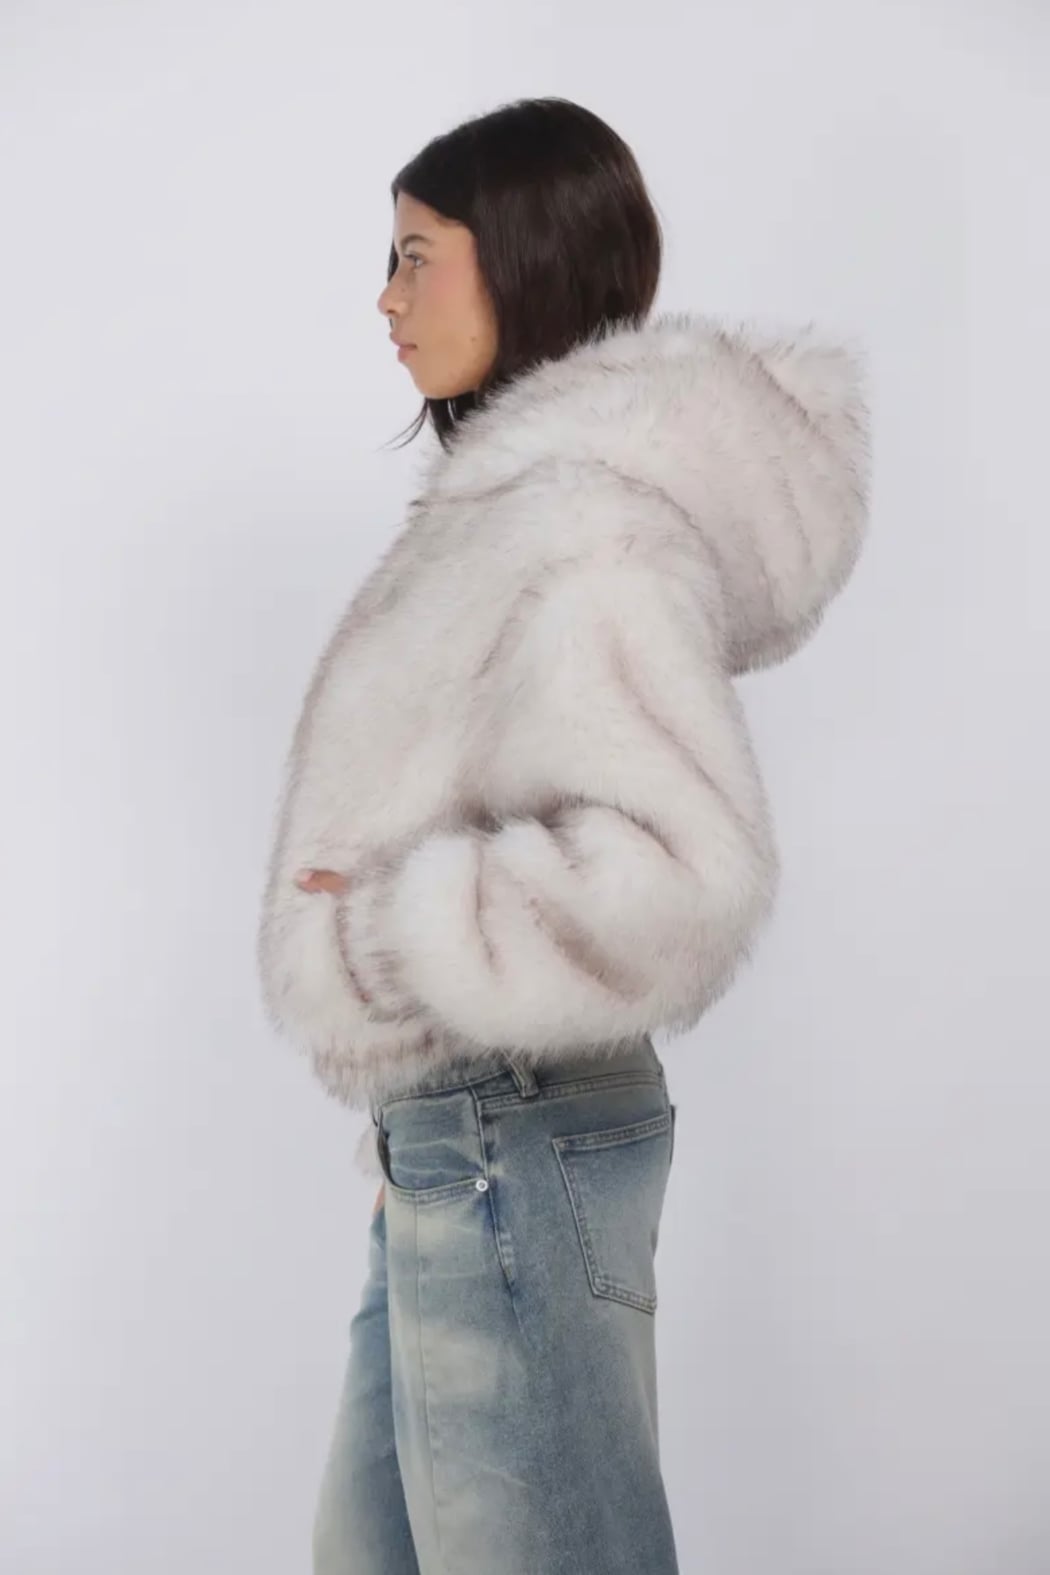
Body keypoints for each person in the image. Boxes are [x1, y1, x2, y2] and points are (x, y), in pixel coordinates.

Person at [255, 95, 870, 1575]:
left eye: (416, 256)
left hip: (507, 1133)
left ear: (522, 256)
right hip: (462, 1139)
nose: (386, 298)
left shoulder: (581, 528)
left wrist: (392, 926)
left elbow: (683, 872)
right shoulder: (518, 513)